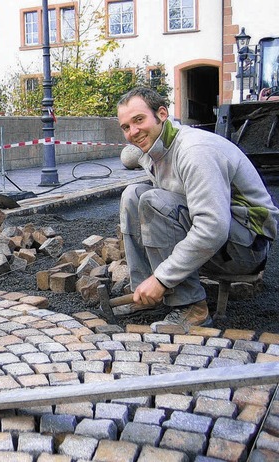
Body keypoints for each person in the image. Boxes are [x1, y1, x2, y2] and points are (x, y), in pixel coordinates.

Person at [117, 87, 278, 332]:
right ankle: (144, 294)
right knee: (133, 195)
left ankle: (192, 307)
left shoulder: (195, 151)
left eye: (139, 120)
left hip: (246, 249)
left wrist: (162, 278)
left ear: (162, 114)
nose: (133, 132)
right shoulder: (154, 151)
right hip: (227, 240)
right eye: (126, 127)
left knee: (153, 202)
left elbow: (212, 228)